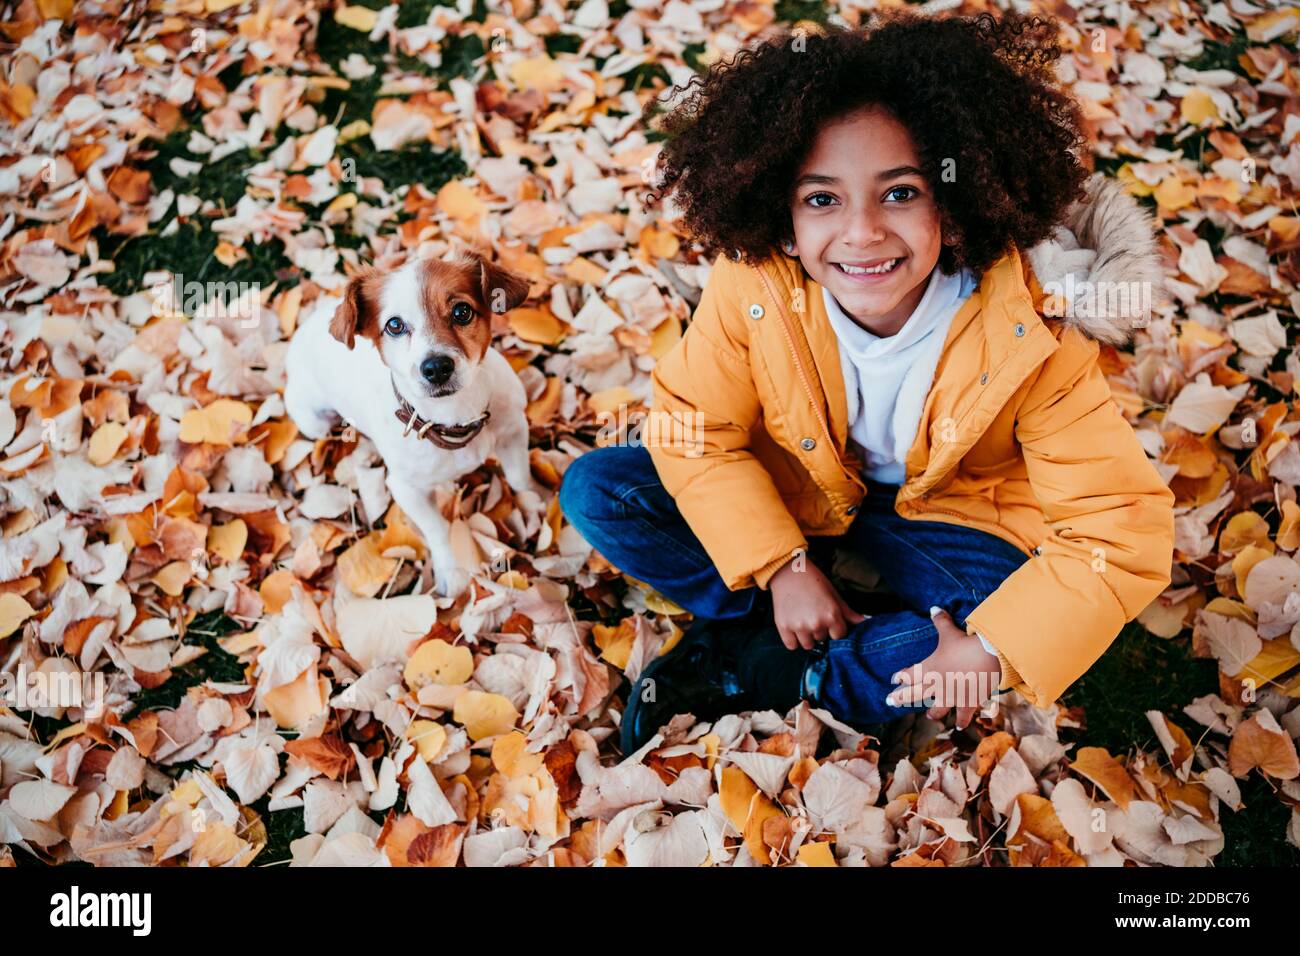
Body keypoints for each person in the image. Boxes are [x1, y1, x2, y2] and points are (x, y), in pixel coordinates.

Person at [558, 12, 1175, 755]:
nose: (861, 234)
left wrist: (988, 650)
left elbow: (1116, 526)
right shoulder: (755, 285)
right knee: (600, 491)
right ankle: (760, 615)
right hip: (804, 495)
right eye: (823, 199)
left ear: (955, 202)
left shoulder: (1030, 325)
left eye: (900, 193)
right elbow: (697, 429)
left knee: (1008, 619)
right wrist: (781, 564)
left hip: (951, 517)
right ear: (782, 220)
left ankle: (805, 678)